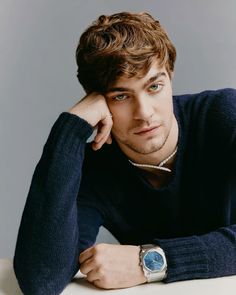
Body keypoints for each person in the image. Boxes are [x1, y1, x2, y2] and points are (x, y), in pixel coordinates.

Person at [14, 11, 236, 295]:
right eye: (121, 96)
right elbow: (41, 280)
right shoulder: (95, 166)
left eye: (154, 86)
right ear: (98, 101)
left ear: (170, 77)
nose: (144, 113)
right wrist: (69, 130)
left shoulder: (224, 116)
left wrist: (152, 261)